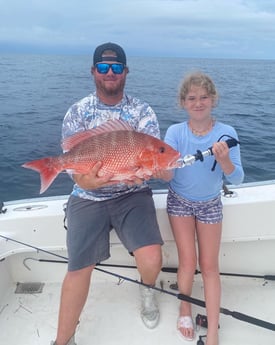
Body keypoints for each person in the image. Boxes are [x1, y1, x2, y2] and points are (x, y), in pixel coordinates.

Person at [51, 42, 167, 345]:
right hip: (87, 196)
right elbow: (78, 175)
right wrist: (91, 181)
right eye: (103, 67)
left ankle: (148, 291)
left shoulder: (142, 111)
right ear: (93, 71)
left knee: (153, 257)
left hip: (133, 195)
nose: (110, 73)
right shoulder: (78, 111)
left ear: (126, 71)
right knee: (78, 267)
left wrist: (154, 170)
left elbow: (157, 159)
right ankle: (63, 340)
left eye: (116, 67)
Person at [164, 71, 244, 345]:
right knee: (188, 262)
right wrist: (157, 169)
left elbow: (237, 177)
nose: (198, 102)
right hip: (179, 201)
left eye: (204, 97)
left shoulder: (227, 133)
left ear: (213, 99)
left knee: (209, 266)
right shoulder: (175, 132)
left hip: (210, 203)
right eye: (192, 98)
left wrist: (224, 161)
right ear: (183, 102)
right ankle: (184, 308)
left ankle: (212, 332)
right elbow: (168, 175)